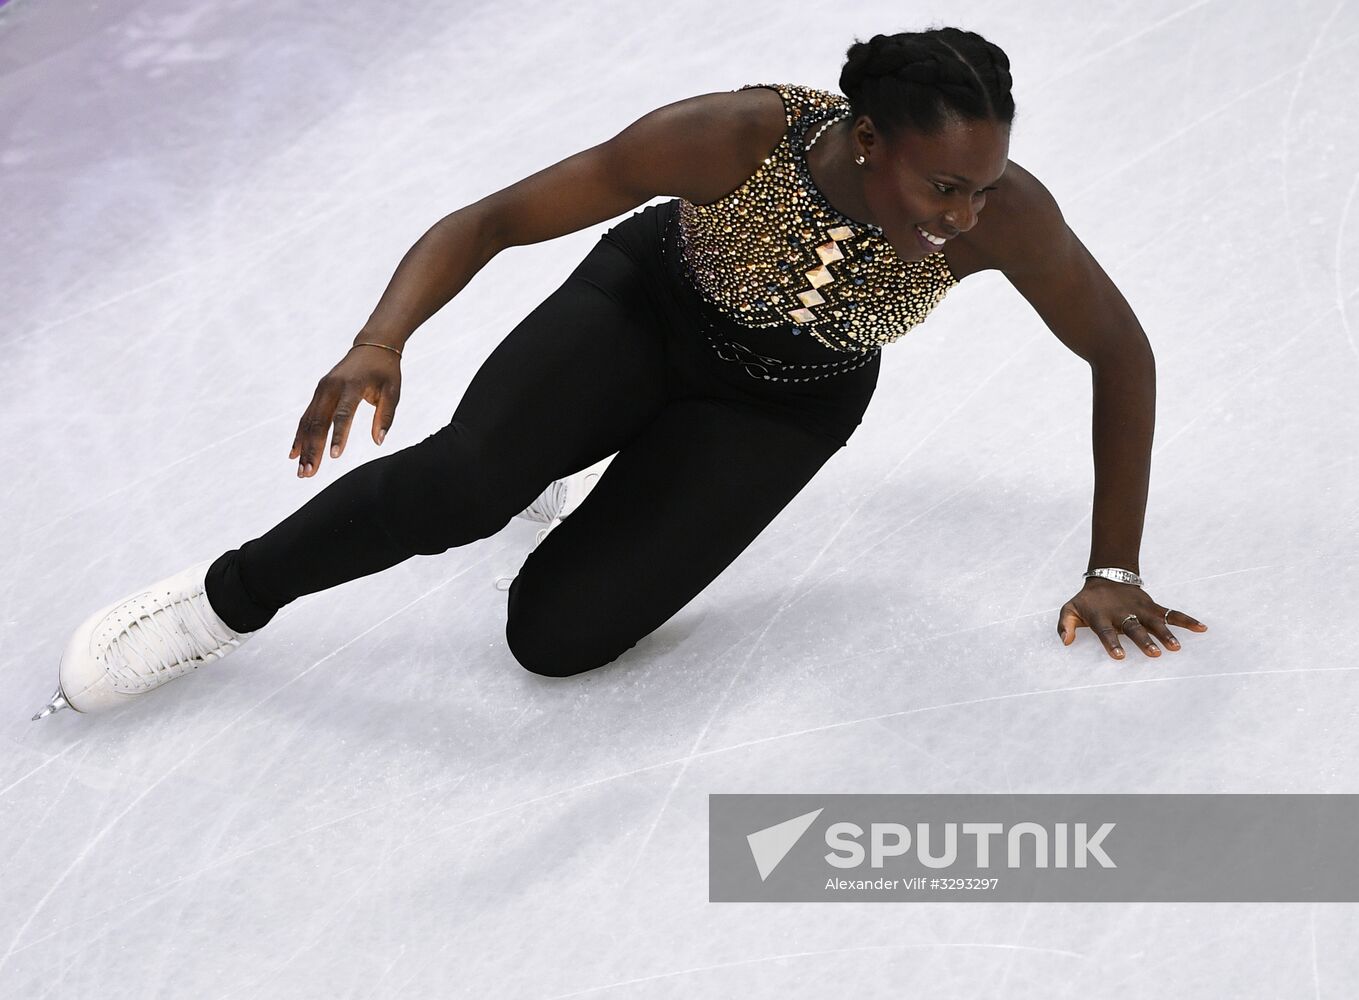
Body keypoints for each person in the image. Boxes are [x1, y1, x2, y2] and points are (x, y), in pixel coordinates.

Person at [34, 25, 1207, 720]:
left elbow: (1122, 353)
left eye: (985, 184)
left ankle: (590, 466)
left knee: (556, 640)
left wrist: (1113, 561)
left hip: (787, 400)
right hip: (644, 310)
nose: (966, 213)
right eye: (942, 185)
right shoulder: (734, 137)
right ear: (866, 139)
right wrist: (380, 338)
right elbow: (492, 218)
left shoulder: (1010, 221)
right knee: (462, 486)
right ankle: (220, 598)